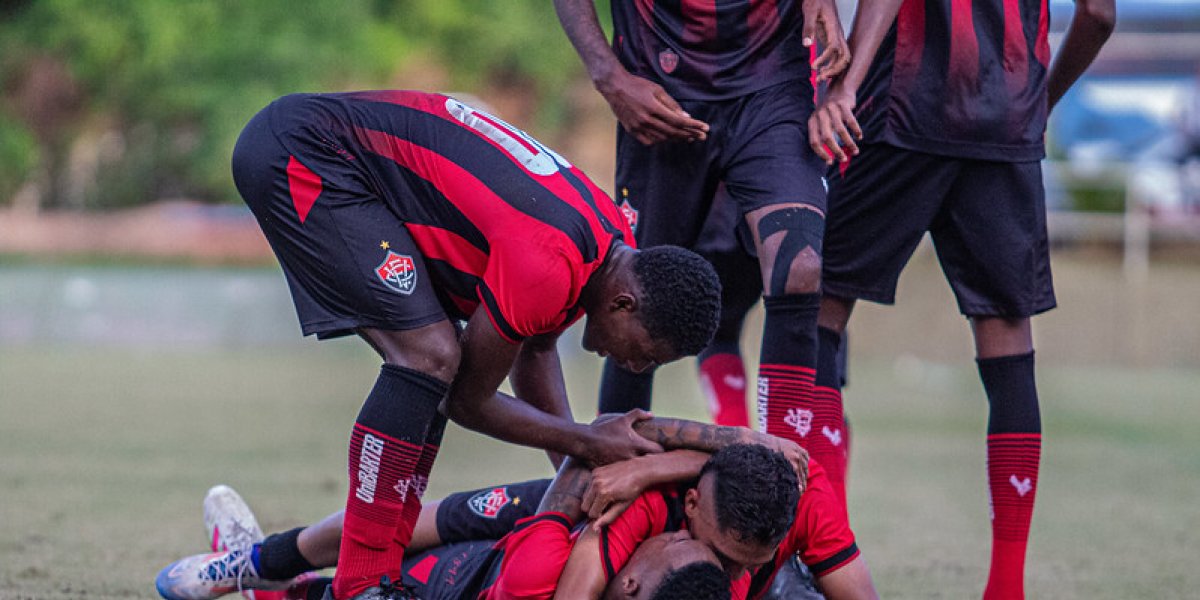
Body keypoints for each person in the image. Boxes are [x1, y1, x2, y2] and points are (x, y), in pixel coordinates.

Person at [229, 89, 723, 600]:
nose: (635, 365)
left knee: (433, 366)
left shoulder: (606, 246)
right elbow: (466, 401)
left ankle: (375, 578)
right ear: (623, 304)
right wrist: (587, 441)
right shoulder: (549, 264)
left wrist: (573, 474)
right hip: (304, 152)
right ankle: (363, 584)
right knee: (429, 357)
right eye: (646, 353)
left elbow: (535, 350)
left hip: (331, 155)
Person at [806, 0, 1116, 596]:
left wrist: (845, 87)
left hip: (898, 109)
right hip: (1008, 124)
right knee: (1007, 336)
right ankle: (1007, 585)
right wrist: (1038, 103)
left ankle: (827, 557)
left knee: (819, 307)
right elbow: (1099, 15)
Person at [552, 0, 854, 466]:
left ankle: (782, 481)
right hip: (662, 90)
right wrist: (609, 77)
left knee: (798, 265)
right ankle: (609, 481)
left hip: (772, 84)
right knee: (638, 289)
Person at [157, 419, 876, 599]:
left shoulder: (721, 570)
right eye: (716, 549)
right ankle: (253, 561)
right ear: (690, 504)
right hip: (564, 509)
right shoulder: (621, 520)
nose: (721, 570)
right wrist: (653, 465)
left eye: (741, 566)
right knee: (401, 525)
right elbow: (617, 435)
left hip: (523, 560)